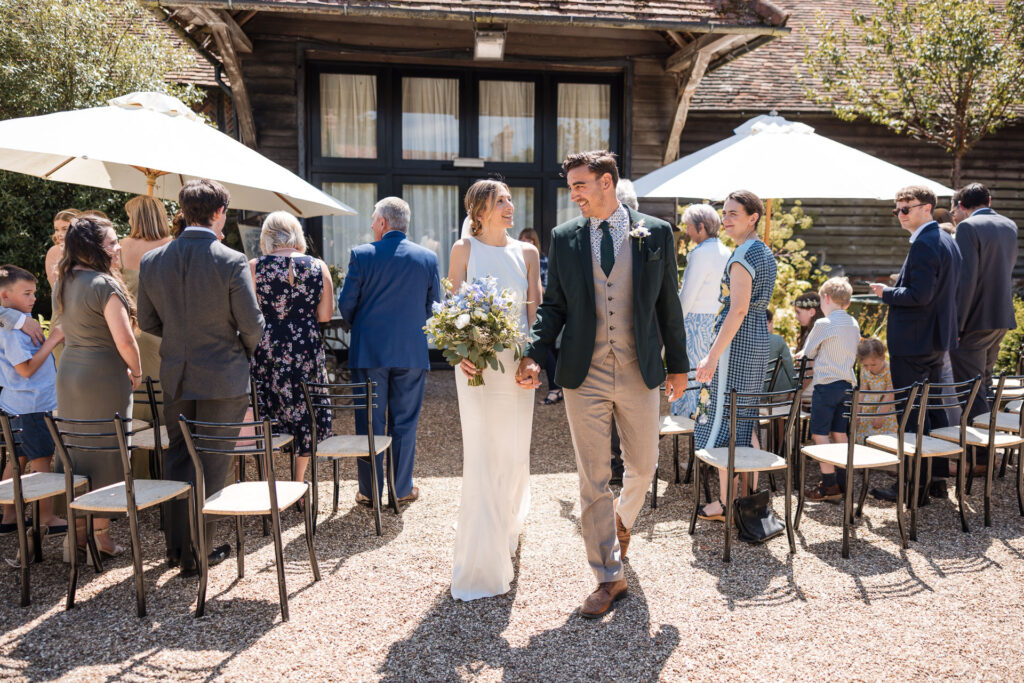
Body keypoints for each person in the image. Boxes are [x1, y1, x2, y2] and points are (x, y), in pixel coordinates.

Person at [517, 150, 688, 619]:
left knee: (645, 462)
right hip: (584, 372)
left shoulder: (655, 232)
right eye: (570, 185)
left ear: (607, 183)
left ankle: (620, 523)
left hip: (639, 370)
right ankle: (608, 575)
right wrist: (534, 352)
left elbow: (667, 304)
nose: (573, 194)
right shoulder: (565, 237)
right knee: (593, 477)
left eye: (580, 185)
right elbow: (553, 307)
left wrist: (679, 366)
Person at [137, 179, 265, 574]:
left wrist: (181, 340)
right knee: (210, 464)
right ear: (218, 213)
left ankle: (177, 549)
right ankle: (197, 555)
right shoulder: (229, 260)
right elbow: (253, 325)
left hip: (175, 373)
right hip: (222, 377)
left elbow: (147, 321)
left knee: (178, 458)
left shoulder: (152, 260)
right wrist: (238, 352)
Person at [449, 180, 542, 601]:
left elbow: (535, 315)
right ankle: (482, 558)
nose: (509, 205)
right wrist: (458, 353)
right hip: (476, 369)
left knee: (513, 450)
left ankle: (508, 530)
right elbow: (452, 311)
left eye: (509, 198)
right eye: (500, 200)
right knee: (483, 454)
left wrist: (531, 357)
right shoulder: (462, 250)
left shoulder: (527, 253)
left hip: (516, 367)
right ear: (479, 211)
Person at [337, 197, 440, 508]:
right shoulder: (427, 258)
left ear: (383, 223)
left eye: (373, 220)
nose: (371, 225)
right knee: (405, 421)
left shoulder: (362, 254)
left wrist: (364, 326)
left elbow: (346, 304)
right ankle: (401, 488)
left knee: (368, 421)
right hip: (411, 351)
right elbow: (434, 305)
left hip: (369, 351)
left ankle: (370, 491)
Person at [54, 215, 142, 559]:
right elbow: (124, 340)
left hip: (70, 373)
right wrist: (136, 370)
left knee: (77, 451)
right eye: (111, 242)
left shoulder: (65, 279)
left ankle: (74, 539)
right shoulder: (104, 285)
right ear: (93, 247)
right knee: (107, 452)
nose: (118, 247)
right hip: (103, 375)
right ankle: (101, 539)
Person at [869, 185, 962, 502]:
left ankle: (912, 486)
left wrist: (885, 293)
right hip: (934, 339)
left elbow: (919, 296)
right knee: (932, 409)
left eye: (905, 209)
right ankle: (935, 480)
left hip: (915, 342)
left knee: (910, 412)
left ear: (926, 208)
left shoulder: (926, 243)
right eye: (897, 209)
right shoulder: (946, 238)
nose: (900, 215)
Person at [692, 190, 776, 522]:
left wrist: (712, 356)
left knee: (727, 419)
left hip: (738, 342)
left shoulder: (743, 254)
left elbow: (738, 309)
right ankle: (747, 499)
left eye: (733, 214)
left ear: (753, 217)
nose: (725, 219)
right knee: (745, 417)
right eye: (724, 213)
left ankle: (727, 504)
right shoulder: (763, 252)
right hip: (756, 338)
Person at [249, 211, 333, 487]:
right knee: (305, 410)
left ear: (266, 237)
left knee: (268, 409)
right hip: (305, 348)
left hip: (268, 348)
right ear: (297, 234)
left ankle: (271, 482)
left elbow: (246, 313)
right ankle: (298, 480)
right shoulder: (318, 267)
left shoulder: (254, 267)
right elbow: (325, 316)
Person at [949, 183, 1018, 461]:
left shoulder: (967, 228)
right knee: (984, 383)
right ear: (988, 200)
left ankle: (979, 459)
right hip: (1001, 315)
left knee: (970, 386)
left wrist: (957, 325)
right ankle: (986, 455)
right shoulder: (1009, 224)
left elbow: (966, 282)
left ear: (962, 206)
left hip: (975, 319)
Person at [0, 265, 66, 535]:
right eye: (26, 293)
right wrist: (53, 341)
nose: (33, 298)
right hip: (31, 405)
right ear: (5, 297)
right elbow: (25, 369)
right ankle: (45, 517)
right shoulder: (13, 329)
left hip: (18, 404)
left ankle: (10, 516)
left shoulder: (15, 322)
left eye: (34, 293)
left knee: (19, 457)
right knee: (42, 460)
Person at [794, 277, 860, 501]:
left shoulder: (824, 323)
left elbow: (809, 352)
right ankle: (845, 480)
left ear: (826, 298)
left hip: (826, 385)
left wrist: (799, 355)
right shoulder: (853, 323)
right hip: (847, 385)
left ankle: (829, 484)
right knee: (839, 432)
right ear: (847, 303)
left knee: (819, 434)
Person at [119, 196, 172, 421]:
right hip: (166, 332)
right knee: (164, 393)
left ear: (138, 219)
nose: (129, 222)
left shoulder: (120, 246)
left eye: (130, 217)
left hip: (131, 330)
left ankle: (137, 450)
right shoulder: (174, 245)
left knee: (137, 394)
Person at [674, 204, 730, 417]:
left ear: (701, 226)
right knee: (711, 379)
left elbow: (688, 294)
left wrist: (673, 325)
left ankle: (689, 423)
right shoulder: (727, 251)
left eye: (689, 226)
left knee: (691, 377)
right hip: (718, 322)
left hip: (696, 323)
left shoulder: (699, 254)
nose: (687, 232)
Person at [518, 227, 561, 406]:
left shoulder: (543, 260)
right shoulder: (515, 259)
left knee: (547, 350)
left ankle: (555, 388)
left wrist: (534, 289)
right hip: (522, 309)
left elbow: (549, 288)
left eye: (530, 240)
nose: (527, 243)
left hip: (542, 310)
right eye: (523, 240)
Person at [854, 338, 898, 445]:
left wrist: (880, 415)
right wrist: (858, 412)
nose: (869, 368)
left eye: (873, 365)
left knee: (884, 440)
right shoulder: (865, 371)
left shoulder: (889, 369)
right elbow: (862, 391)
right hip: (868, 409)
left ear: (882, 357)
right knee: (864, 436)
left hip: (885, 409)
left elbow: (890, 393)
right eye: (865, 365)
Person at [44, 209, 81, 287]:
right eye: (56, 229)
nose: (59, 234)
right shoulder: (54, 252)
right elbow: (54, 286)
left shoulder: (90, 250)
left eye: (65, 229)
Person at [764, 309, 796, 393]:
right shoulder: (777, 340)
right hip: (778, 392)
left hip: (752, 394)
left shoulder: (745, 342)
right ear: (769, 322)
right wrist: (795, 388)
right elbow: (789, 367)